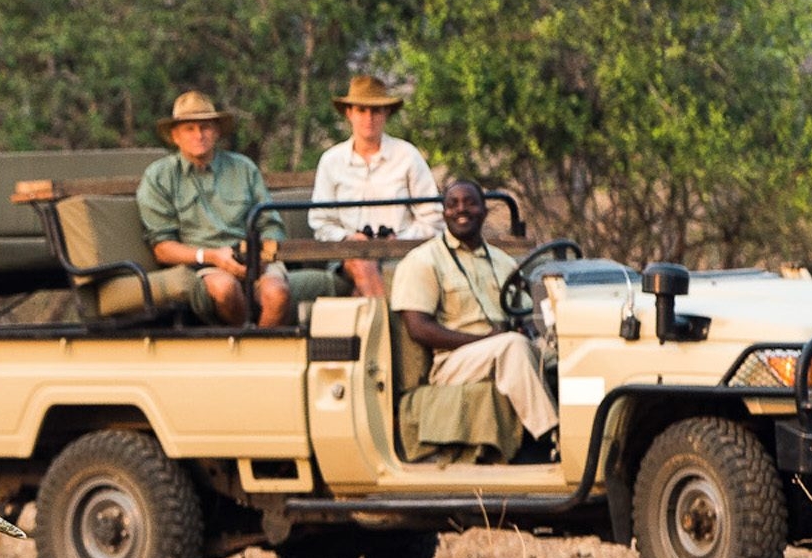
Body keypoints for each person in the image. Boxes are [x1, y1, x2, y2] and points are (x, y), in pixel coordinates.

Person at [392, 179, 557, 457]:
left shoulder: (503, 260)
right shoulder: (423, 260)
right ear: (443, 213)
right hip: (453, 360)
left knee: (568, 352)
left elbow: (526, 312)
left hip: (500, 346)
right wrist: (483, 339)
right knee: (512, 347)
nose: (461, 210)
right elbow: (418, 328)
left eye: (470, 202)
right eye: (453, 204)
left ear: (484, 211)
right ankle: (553, 437)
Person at [136, 90, 300, 327]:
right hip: (202, 264)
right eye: (189, 129)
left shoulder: (243, 168)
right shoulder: (159, 176)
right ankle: (251, 353)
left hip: (252, 257)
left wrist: (261, 255)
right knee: (224, 289)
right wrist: (211, 256)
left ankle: (253, 357)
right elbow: (162, 248)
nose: (199, 135)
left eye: (205, 127)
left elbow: (271, 224)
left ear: (217, 131)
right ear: (175, 136)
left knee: (277, 294)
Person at [307, 74, 442, 299]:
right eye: (361, 110)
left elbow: (433, 218)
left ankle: (373, 323)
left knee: (360, 292)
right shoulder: (332, 160)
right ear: (349, 113)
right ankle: (390, 329)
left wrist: (401, 239)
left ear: (386, 113)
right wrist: (348, 238)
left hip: (403, 254)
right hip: (349, 256)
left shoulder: (407, 156)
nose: (368, 118)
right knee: (362, 263)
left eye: (376, 110)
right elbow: (321, 222)